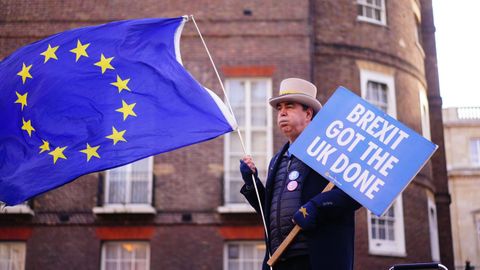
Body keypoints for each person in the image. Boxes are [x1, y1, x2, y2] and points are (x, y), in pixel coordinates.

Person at [239, 78, 361, 270]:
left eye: (289, 106)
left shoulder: (332, 151)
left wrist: (316, 206)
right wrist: (250, 183)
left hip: (316, 259)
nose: (282, 113)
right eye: (279, 108)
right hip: (279, 260)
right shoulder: (276, 161)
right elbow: (268, 212)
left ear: (308, 114)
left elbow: (355, 194)